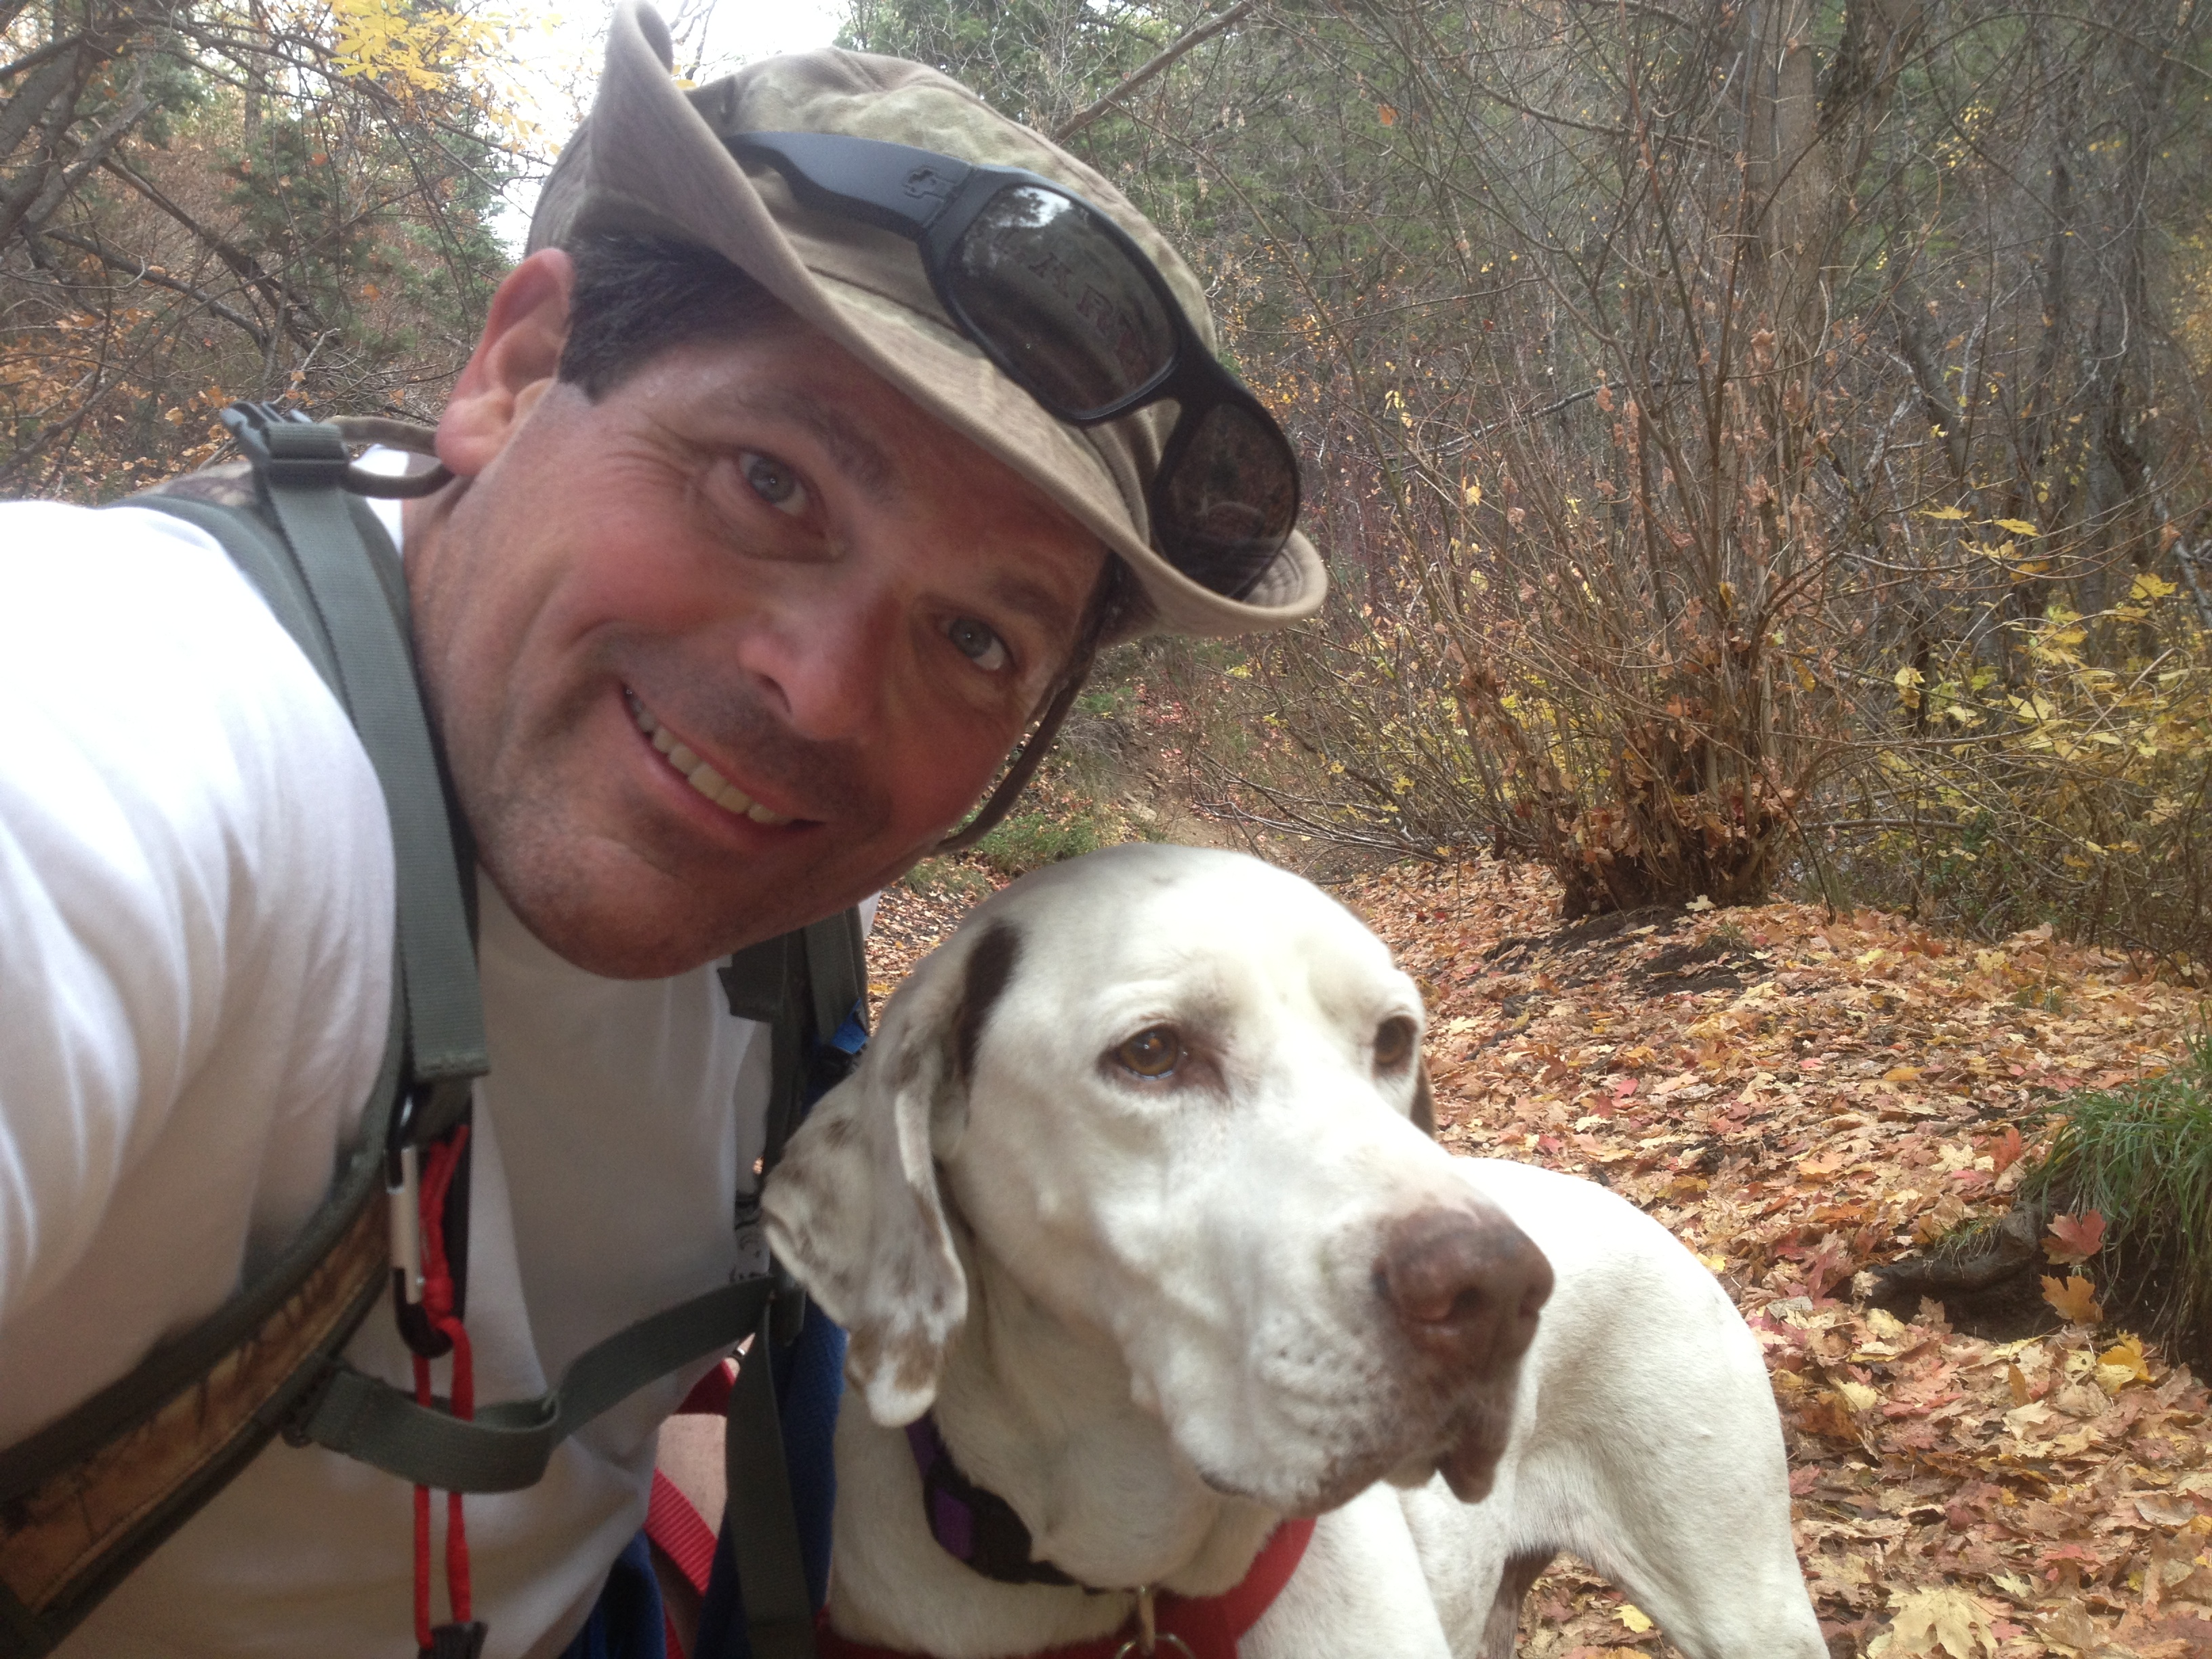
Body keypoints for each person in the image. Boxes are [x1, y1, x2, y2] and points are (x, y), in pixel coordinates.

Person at [0, 5, 1324, 1655]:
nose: (821, 695)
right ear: (519, 370)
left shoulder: (784, 914)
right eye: (769, 482)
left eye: (976, 638)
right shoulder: (132, 718)